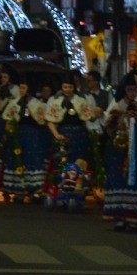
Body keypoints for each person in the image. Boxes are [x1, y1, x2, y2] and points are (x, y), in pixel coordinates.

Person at [44, 79, 101, 212]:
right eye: (65, 87)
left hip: (79, 136)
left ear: (74, 88)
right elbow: (49, 120)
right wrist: (56, 134)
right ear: (61, 87)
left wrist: (97, 113)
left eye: (70, 87)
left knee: (79, 166)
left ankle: (78, 197)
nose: (67, 89)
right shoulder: (56, 101)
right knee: (62, 166)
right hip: (63, 136)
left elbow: (90, 117)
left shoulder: (80, 100)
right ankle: (61, 196)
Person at [101, 82, 137, 230]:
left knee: (133, 180)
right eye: (129, 89)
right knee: (117, 178)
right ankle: (119, 218)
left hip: (135, 149)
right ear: (124, 90)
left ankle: (133, 218)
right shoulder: (116, 106)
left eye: (135, 90)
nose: (132, 93)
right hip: (117, 148)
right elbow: (107, 125)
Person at [0, 83, 50, 203]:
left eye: (24, 88)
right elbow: (7, 118)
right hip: (17, 134)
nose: (21, 90)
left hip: (32, 135)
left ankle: (32, 189)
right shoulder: (15, 102)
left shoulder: (36, 103)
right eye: (20, 87)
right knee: (16, 158)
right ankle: (16, 188)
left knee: (31, 159)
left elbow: (42, 120)